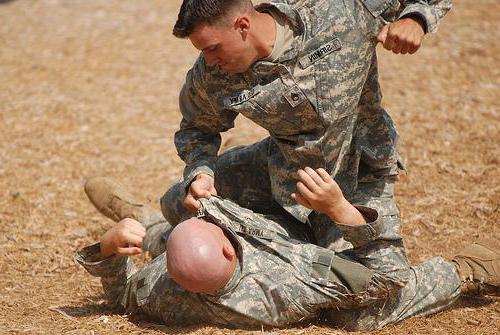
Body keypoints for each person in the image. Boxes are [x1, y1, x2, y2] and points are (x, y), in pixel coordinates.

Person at [160, 0, 452, 300]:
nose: (208, 60)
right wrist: (200, 172)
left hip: (355, 179)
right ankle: (162, 235)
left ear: (243, 26)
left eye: (212, 48)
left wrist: (416, 18)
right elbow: (198, 129)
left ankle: (468, 270)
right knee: (176, 202)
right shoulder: (211, 75)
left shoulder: (337, 10)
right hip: (285, 171)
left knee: (375, 293)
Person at [77, 176, 500, 330]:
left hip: (249, 229)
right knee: (363, 315)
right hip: (297, 231)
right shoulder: (292, 280)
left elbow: (122, 296)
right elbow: (385, 280)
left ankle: (139, 220)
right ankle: (471, 267)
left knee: (169, 238)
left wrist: (111, 247)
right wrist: (341, 211)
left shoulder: (167, 294)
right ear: (228, 247)